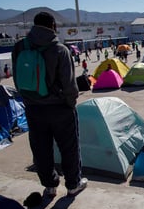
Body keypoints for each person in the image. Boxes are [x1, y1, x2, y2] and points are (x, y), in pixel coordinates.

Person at [11, 12, 87, 198]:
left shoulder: (20, 47)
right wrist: (69, 103)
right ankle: (73, 184)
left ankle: (50, 185)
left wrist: (30, 100)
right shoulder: (60, 49)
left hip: (33, 108)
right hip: (60, 108)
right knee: (69, 148)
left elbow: (17, 78)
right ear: (53, 25)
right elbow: (70, 85)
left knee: (40, 148)